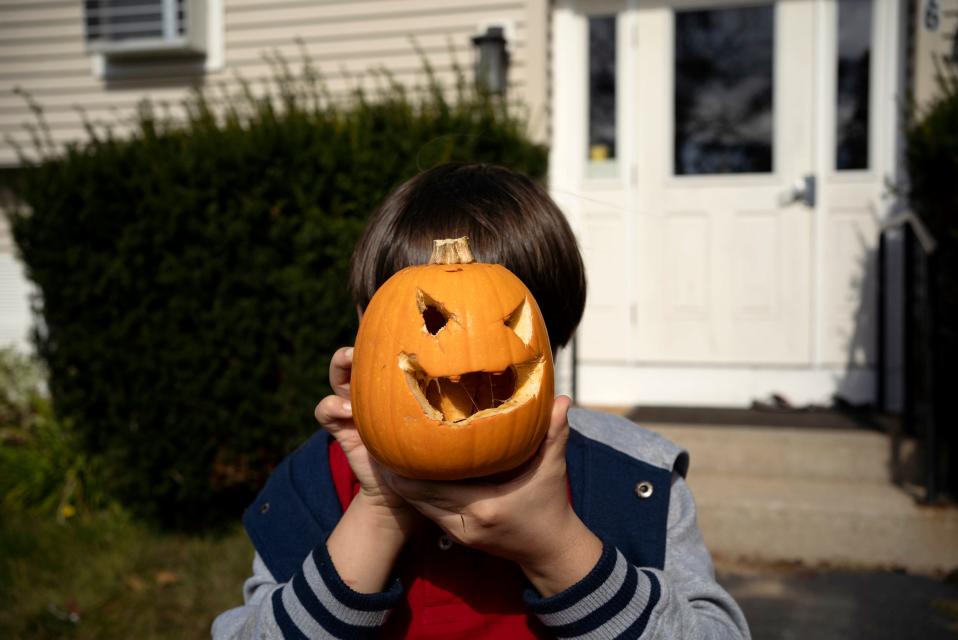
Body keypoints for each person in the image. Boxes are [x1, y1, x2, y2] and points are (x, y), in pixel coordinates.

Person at [212, 163, 751, 639]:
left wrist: (555, 547)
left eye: (504, 321)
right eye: (427, 320)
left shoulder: (636, 479)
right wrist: (379, 510)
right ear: (366, 326)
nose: (460, 359)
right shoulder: (315, 484)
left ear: (550, 327)